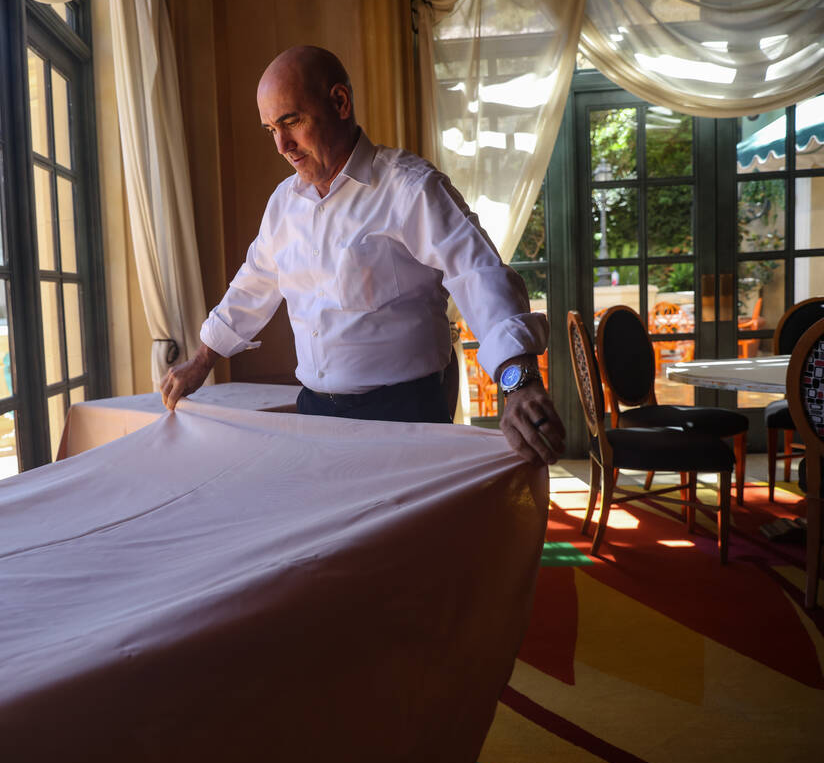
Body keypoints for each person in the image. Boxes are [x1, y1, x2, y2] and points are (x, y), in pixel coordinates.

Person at [160, 45, 564, 466]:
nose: (281, 145)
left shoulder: (410, 187)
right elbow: (254, 283)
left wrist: (520, 382)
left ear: (339, 102)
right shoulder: (283, 204)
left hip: (406, 418)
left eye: (291, 122)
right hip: (315, 415)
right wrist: (201, 361)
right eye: (270, 130)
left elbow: (478, 272)